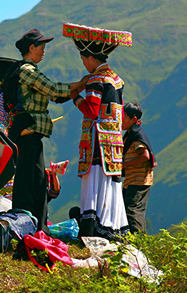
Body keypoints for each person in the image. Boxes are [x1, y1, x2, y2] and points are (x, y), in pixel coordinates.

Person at [6, 29, 88, 235]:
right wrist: (85, 82)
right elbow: (54, 90)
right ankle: (28, 227)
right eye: (41, 48)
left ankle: (34, 227)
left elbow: (56, 94)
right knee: (30, 182)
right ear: (31, 48)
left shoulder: (25, 70)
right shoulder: (27, 71)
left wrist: (77, 87)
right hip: (28, 135)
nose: (44, 52)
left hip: (30, 135)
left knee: (35, 181)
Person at [64, 21, 132, 240]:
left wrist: (74, 97)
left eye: (84, 59)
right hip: (113, 142)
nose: (84, 63)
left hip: (97, 143)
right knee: (110, 185)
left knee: (94, 183)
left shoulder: (96, 80)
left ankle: (93, 228)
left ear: (92, 58)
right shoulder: (116, 80)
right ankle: (112, 227)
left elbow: (92, 110)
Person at [122, 101, 156, 233]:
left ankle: (139, 244)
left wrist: (124, 165)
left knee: (133, 211)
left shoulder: (136, 135)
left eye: (124, 118)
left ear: (133, 119)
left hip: (139, 180)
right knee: (128, 209)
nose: (121, 121)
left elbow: (145, 155)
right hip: (132, 180)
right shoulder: (131, 133)